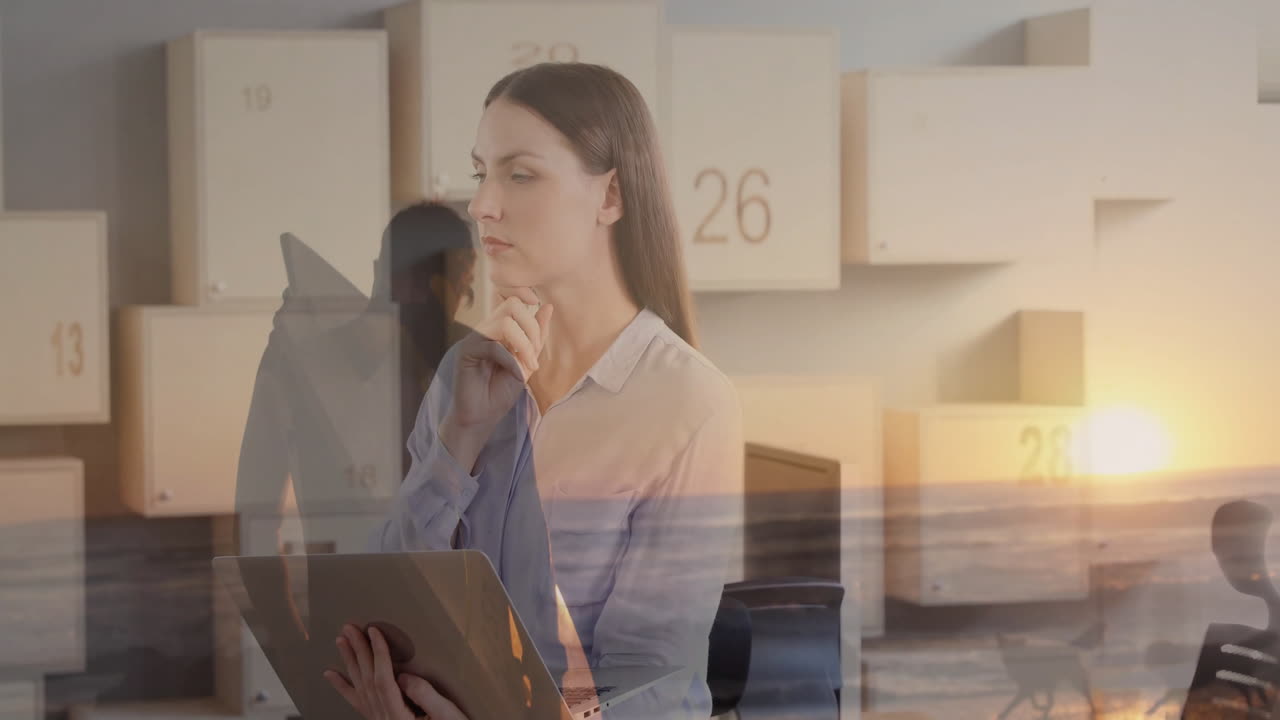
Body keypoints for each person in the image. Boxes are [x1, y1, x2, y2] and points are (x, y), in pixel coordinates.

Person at [329, 62, 744, 720]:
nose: (482, 205)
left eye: (519, 174)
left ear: (610, 197)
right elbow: (388, 598)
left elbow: (652, 692)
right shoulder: (463, 375)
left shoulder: (691, 403)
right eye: (481, 173)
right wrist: (460, 436)